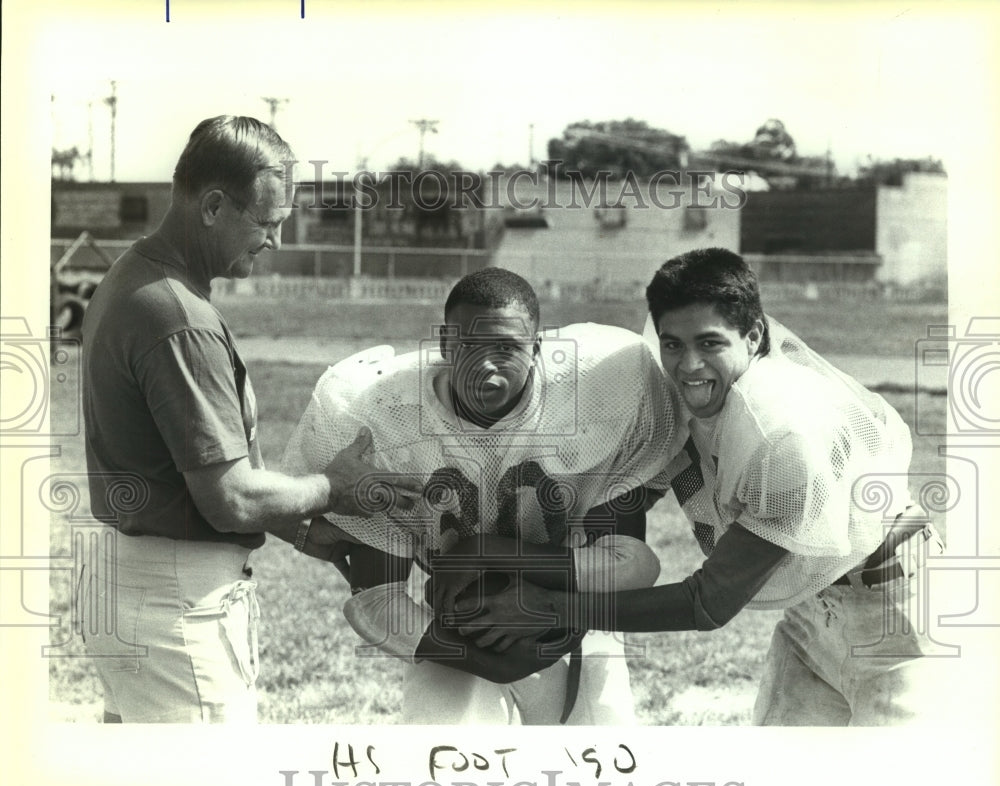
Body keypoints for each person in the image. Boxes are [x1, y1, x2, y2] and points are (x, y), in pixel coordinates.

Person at [448, 248, 946, 726]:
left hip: (900, 615)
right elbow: (617, 504)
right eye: (673, 344)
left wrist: (546, 604)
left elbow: (707, 603)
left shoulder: (783, 433)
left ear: (753, 336)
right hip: (811, 614)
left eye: (710, 343)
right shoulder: (680, 392)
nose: (688, 366)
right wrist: (510, 559)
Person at [79, 115, 420, 724]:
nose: (276, 241)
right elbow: (229, 499)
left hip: (134, 585)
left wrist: (302, 525)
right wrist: (335, 487)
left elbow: (180, 467)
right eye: (266, 222)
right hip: (176, 607)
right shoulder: (178, 315)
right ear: (212, 205)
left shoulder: (136, 277)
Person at [281, 267, 684, 724]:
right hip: (454, 628)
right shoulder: (378, 414)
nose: (484, 366)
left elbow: (628, 564)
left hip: (571, 605)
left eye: (507, 348)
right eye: (467, 347)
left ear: (536, 349)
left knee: (597, 780)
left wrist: (547, 607)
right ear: (444, 346)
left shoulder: (600, 390)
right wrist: (490, 659)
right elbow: (379, 600)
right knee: (444, 772)